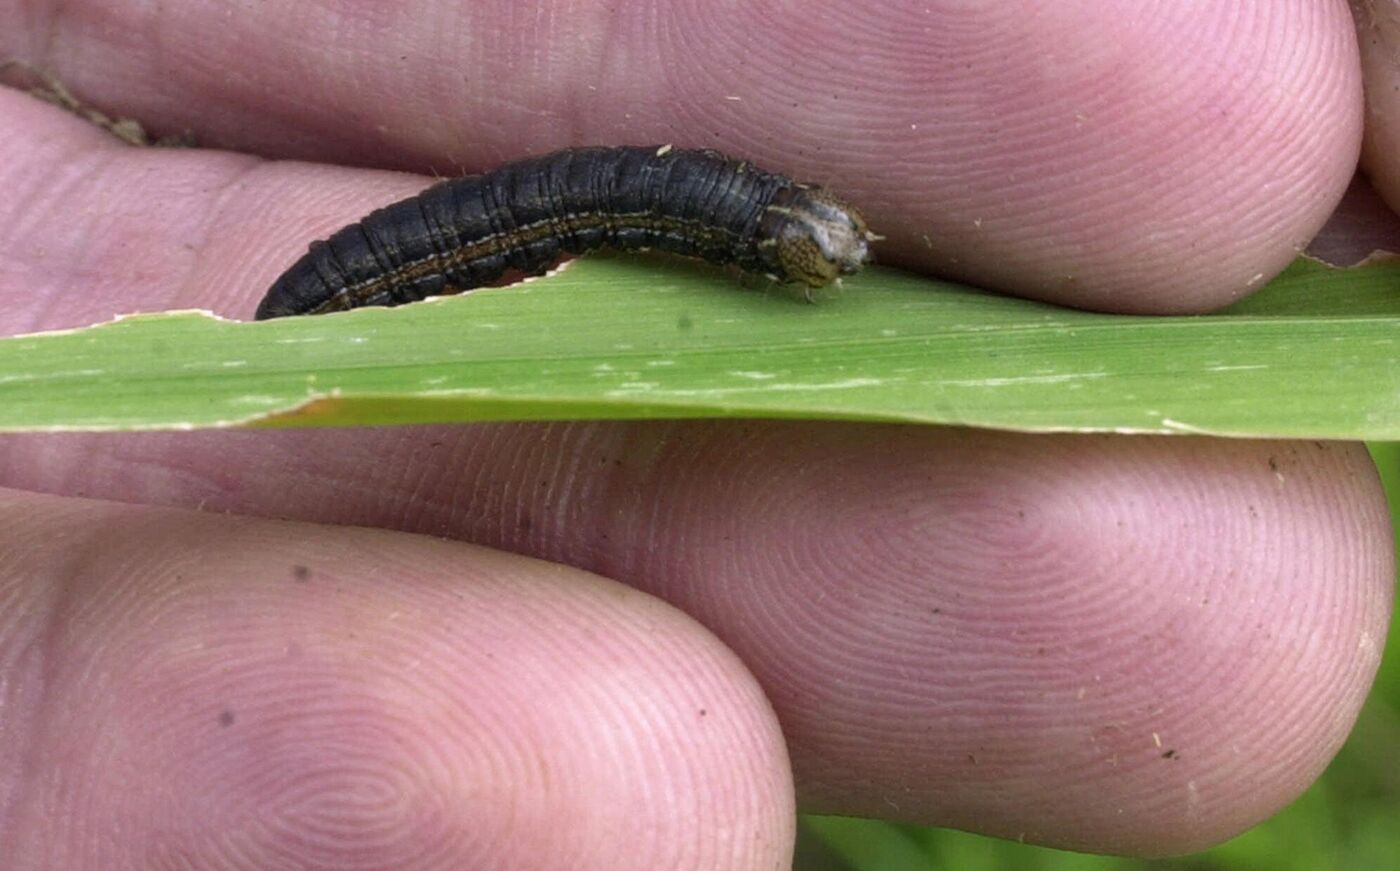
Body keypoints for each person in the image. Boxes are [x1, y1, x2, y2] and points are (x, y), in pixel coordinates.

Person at [0, 2, 1392, 867]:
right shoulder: (671, 216)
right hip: (342, 278)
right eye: (805, 253)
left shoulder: (706, 210)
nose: (825, 267)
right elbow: (527, 224)